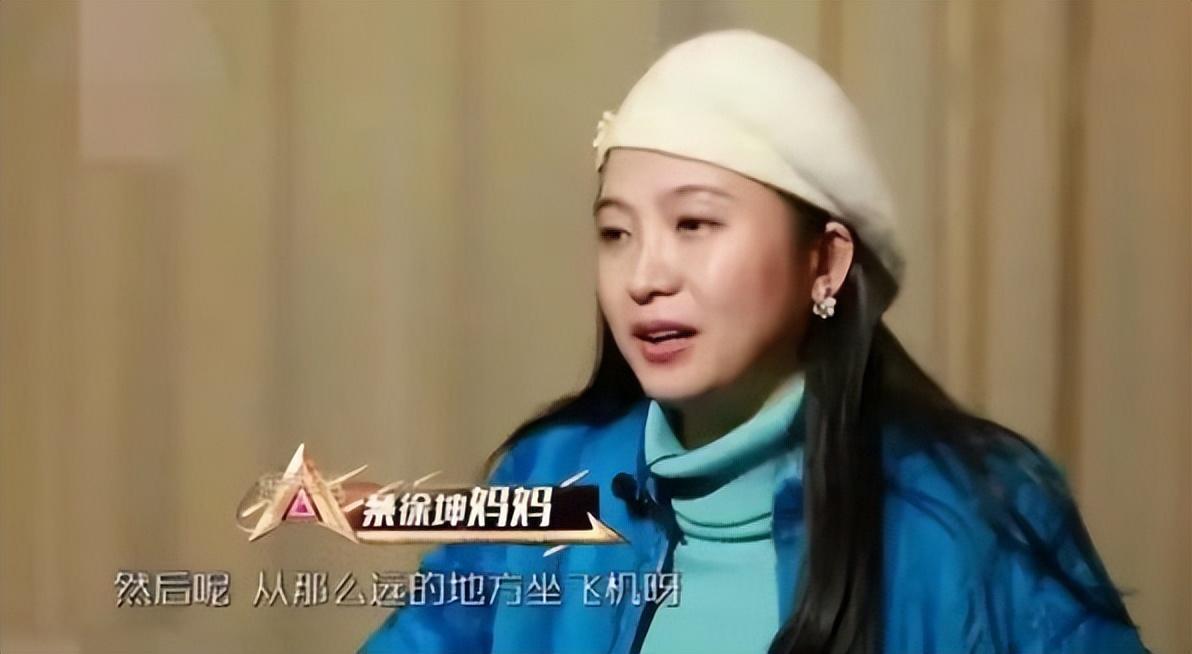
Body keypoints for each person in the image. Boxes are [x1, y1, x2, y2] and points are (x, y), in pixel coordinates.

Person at [361, 29, 1148, 654]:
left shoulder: (981, 515)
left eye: (694, 224)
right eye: (616, 232)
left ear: (825, 261)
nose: (645, 276)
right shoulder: (546, 482)